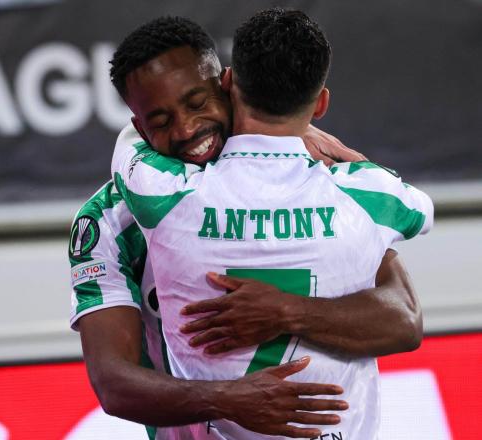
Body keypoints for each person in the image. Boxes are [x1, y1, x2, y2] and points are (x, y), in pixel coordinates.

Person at [71, 15, 423, 440]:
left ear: (228, 86)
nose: (187, 129)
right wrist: (228, 398)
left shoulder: (313, 176)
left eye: (197, 102)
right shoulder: (106, 220)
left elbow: (402, 320)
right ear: (139, 126)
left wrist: (286, 311)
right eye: (161, 122)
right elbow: (113, 383)